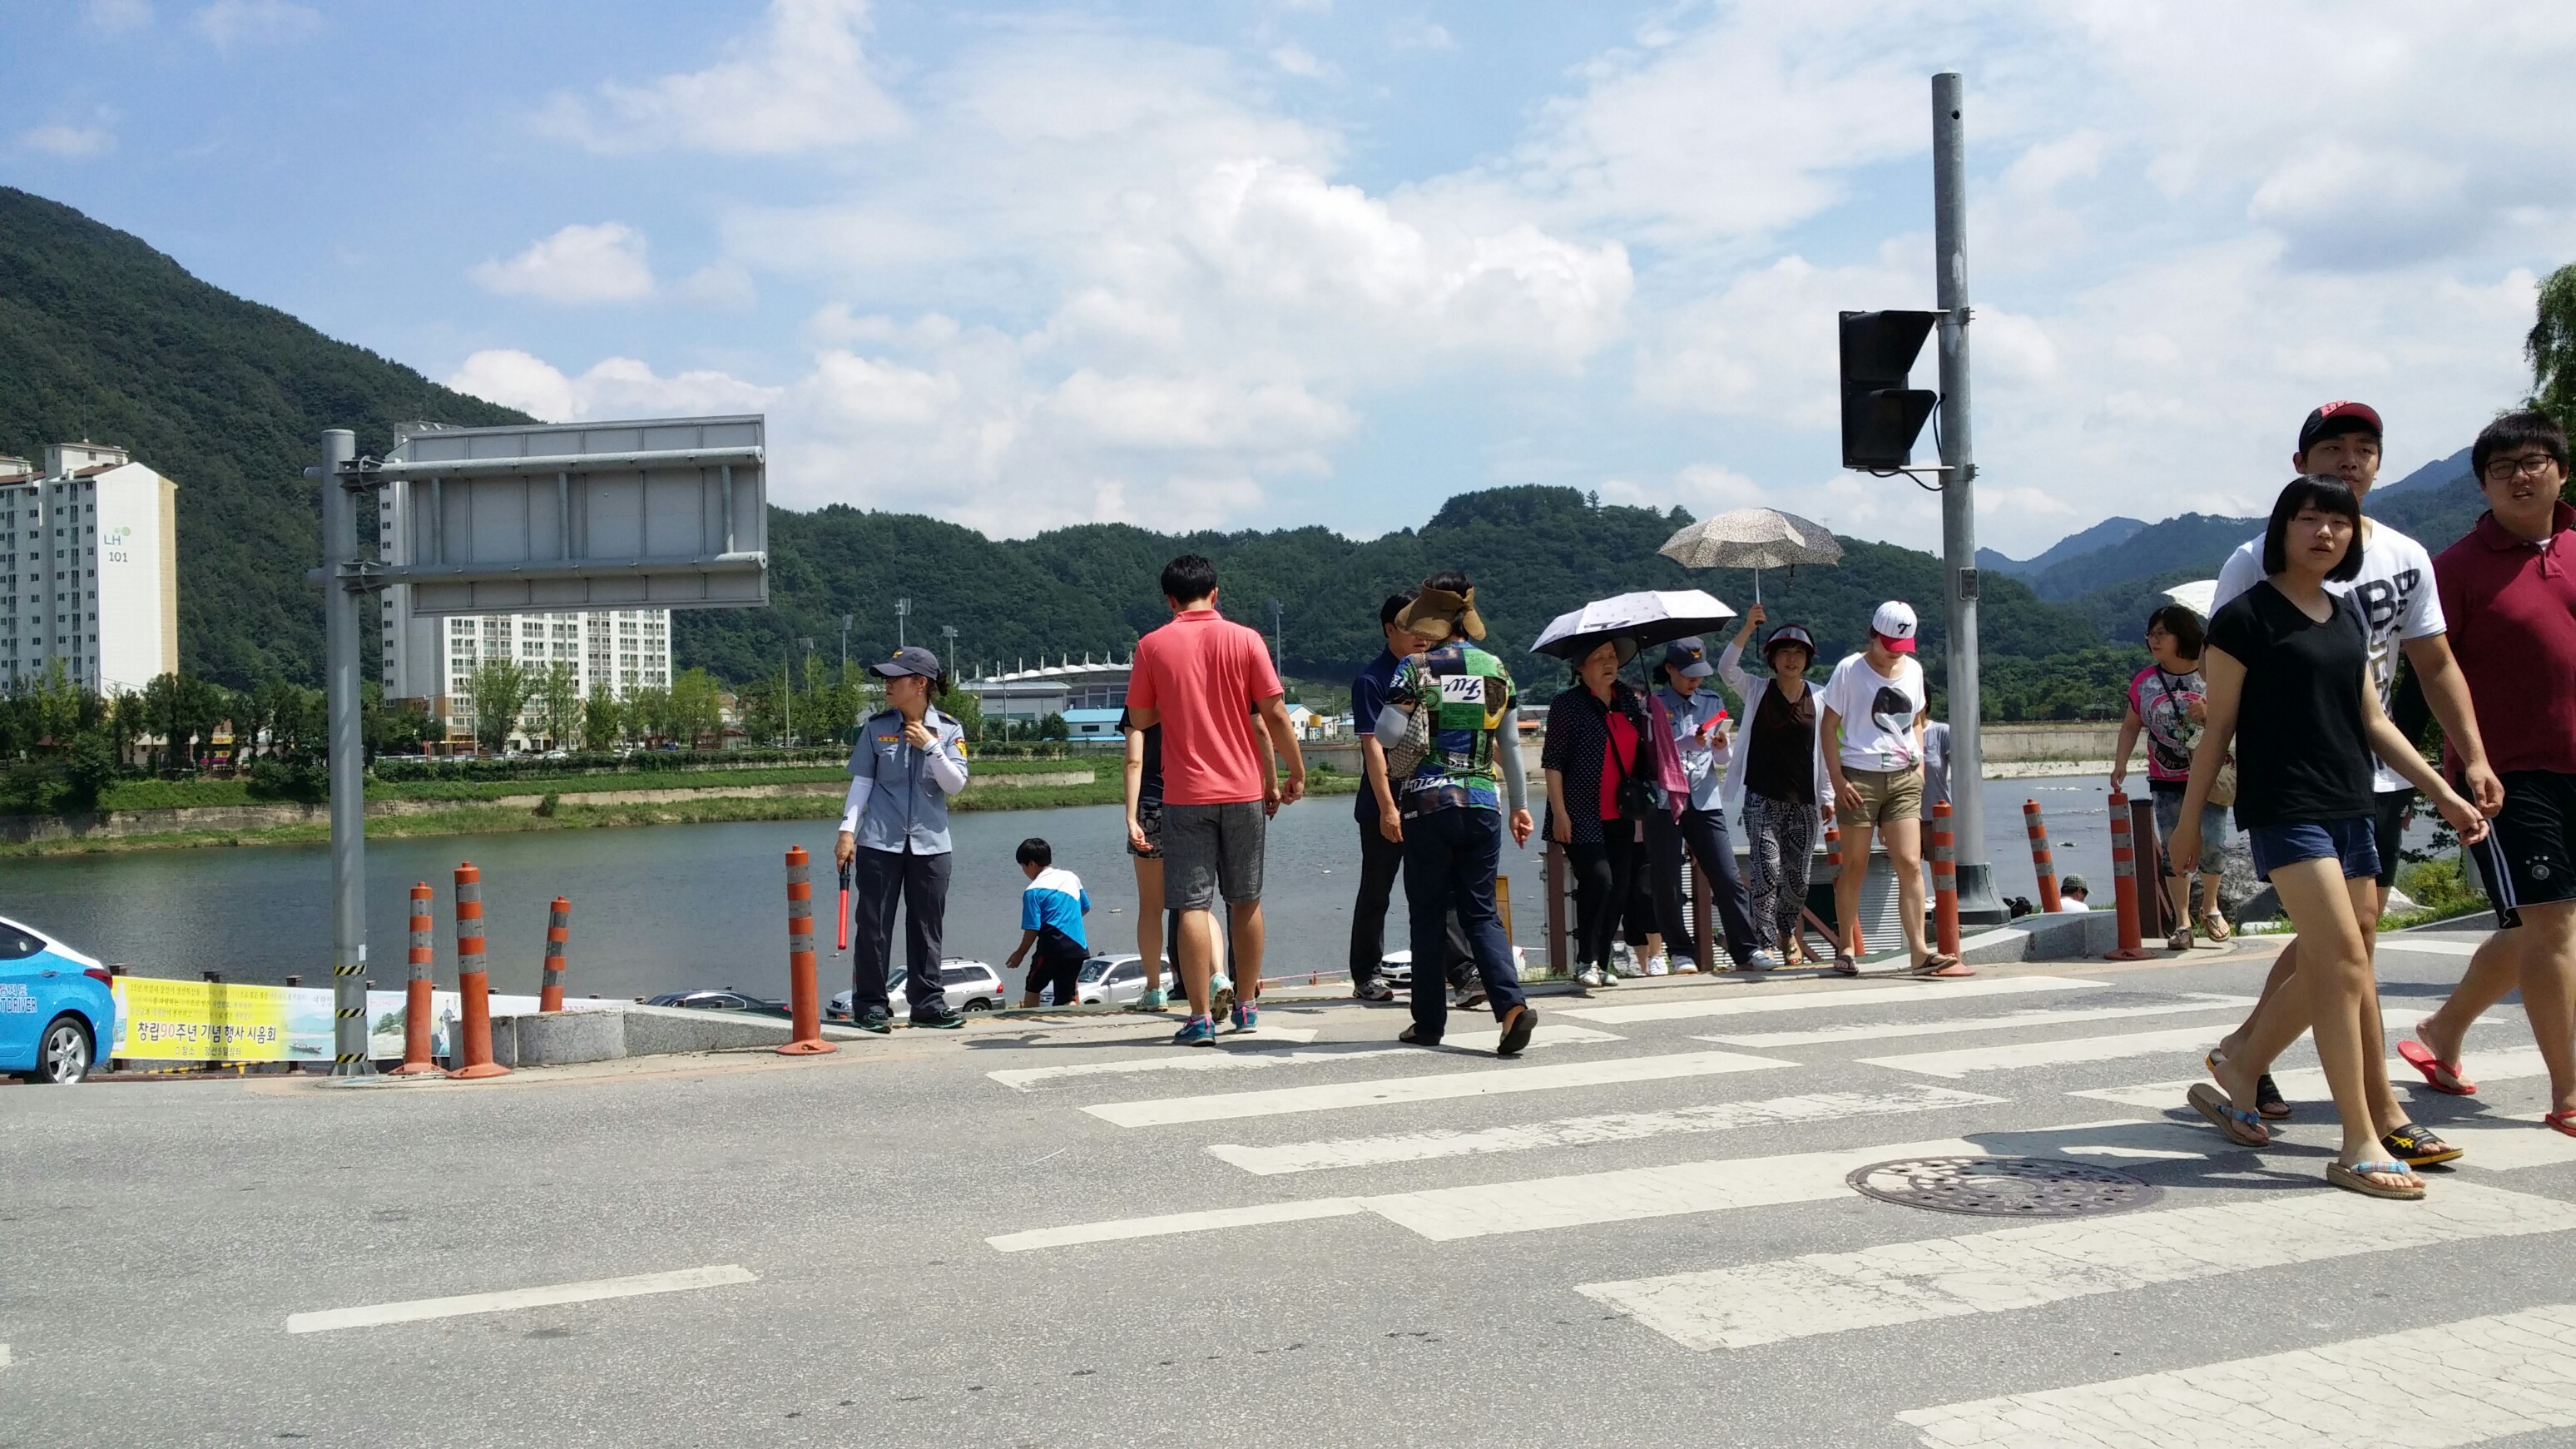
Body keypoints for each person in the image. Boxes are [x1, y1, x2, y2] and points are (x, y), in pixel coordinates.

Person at [2173, 475, 2487, 1198]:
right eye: (2309, 518)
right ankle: (2359, 1139)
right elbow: (2218, 728)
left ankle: (2241, 1064)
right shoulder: (2244, 618)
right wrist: (2189, 823)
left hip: (2352, 800)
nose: (2324, 532)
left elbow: (2374, 721)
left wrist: (2443, 791)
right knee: (2344, 958)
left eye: (2338, 522)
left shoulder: (2346, 614)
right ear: (2282, 529)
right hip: (2285, 805)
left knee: (2335, 962)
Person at [2405, 412, 2576, 1138]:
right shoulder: (2455, 568)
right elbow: (2426, 674)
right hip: (2509, 774)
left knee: (2538, 925)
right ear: (2482, 484)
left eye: (2533, 461)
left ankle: (2442, 1029)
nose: (2520, 477)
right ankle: (2569, 1093)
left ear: (2561, 470)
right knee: (2552, 925)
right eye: (2502, 468)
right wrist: (2432, 773)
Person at [1124, 553, 1307, 1046]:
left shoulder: (1151, 646)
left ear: (1169, 599)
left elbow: (1139, 719)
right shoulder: (1247, 639)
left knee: (1190, 905)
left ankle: (1201, 1017)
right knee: (1245, 900)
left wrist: (1175, 699)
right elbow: (1274, 714)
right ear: (1216, 593)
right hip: (1244, 790)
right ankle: (1246, 1006)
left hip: (1185, 794)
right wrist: (1295, 771)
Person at [1371, 573, 1538, 1055]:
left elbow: (1386, 735)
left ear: (1432, 619)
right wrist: (1521, 807)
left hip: (1428, 804)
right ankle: (1511, 1009)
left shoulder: (1415, 667)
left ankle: (1428, 1023)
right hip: (1483, 803)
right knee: (1481, 912)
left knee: (1427, 915)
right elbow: (1511, 745)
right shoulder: (1496, 669)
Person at [1818, 601, 1966, 977]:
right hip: (1859, 776)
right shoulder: (1849, 670)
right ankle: (1846, 946)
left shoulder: (1913, 670)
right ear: (1873, 635)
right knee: (1855, 865)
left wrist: (1919, 764)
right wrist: (1837, 780)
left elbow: (1916, 719)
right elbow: (1828, 726)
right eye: (1888, 646)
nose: (1893, 654)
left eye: (1901, 647)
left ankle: (1919, 951)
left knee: (1910, 862)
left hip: (1904, 777)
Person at [836, 646, 972, 1033]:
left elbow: (955, 784)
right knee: (874, 927)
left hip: (932, 845)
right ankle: (871, 1006)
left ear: (920, 684)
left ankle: (927, 1004)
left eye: (894, 679)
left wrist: (930, 747)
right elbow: (862, 783)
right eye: (885, 679)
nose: (886, 685)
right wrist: (847, 832)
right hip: (880, 841)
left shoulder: (949, 729)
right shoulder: (876, 727)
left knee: (927, 927)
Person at [1347, 592, 1473, 1004]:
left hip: (1432, 797)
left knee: (1444, 886)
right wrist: (1388, 808)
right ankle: (1367, 974)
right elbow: (1373, 748)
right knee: (1377, 890)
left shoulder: (1435, 672)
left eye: (1427, 627)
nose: (1423, 635)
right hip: (1384, 803)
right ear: (1389, 629)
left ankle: (1462, 973)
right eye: (1411, 627)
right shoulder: (1373, 679)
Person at [1645, 636, 1774, 971]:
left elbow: (1721, 758)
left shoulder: (1711, 700)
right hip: (1664, 800)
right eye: (1688, 674)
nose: (1695, 681)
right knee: (1668, 880)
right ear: (1669, 669)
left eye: (1699, 674)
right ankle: (1680, 952)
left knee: (1728, 876)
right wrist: (1681, 743)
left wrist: (1721, 747)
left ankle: (1746, 949)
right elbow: (1648, 755)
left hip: (1705, 798)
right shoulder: (1652, 705)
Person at [2110, 604, 2231, 950]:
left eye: (2162, 633)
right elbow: (2131, 724)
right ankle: (2182, 922)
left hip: (2209, 775)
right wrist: (2120, 763)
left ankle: (2210, 906)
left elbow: (2236, 715)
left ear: (2183, 635)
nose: (2154, 640)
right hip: (2165, 777)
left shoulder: (2212, 675)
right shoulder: (2144, 682)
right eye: (2150, 634)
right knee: (2173, 848)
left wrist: (2209, 711)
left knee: (2212, 842)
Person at [1719, 608, 1832, 967]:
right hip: (1761, 797)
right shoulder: (1757, 690)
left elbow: (1828, 749)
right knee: (1767, 869)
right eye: (1784, 652)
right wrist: (1747, 627)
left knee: (1799, 878)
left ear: (1808, 660)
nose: (1792, 659)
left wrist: (1828, 795)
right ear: (1772, 658)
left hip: (1804, 800)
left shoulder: (1821, 697)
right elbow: (1726, 669)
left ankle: (1787, 932)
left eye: (1799, 653)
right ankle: (1766, 942)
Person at [1543, 636, 1652, 994]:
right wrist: (1559, 813)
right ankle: (1585, 960)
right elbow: (1553, 762)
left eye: (1613, 656)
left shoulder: (1628, 700)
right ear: (1580, 667)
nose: (1609, 663)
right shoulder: (1567, 704)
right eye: (1599, 657)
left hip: (1622, 811)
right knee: (1599, 882)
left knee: (1619, 890)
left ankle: (1602, 962)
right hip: (1579, 811)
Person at [1117, 704, 1177, 1010]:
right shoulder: (1190, 691)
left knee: (1151, 908)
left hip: (1152, 804)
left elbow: (1134, 761)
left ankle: (1155, 989)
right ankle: (1218, 977)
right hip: (1192, 801)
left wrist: (1131, 818)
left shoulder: (1138, 703)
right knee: (1198, 904)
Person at [1006, 838, 1092, 1008]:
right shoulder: (1071, 877)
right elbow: (1085, 907)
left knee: (1033, 987)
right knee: (1066, 996)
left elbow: (1032, 928)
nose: (1024, 871)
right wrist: (1067, 922)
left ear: (1031, 864)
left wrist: (1020, 954)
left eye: (1023, 866)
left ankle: (1030, 1019)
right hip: (1078, 948)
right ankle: (1071, 1022)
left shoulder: (1032, 891)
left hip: (1051, 947)